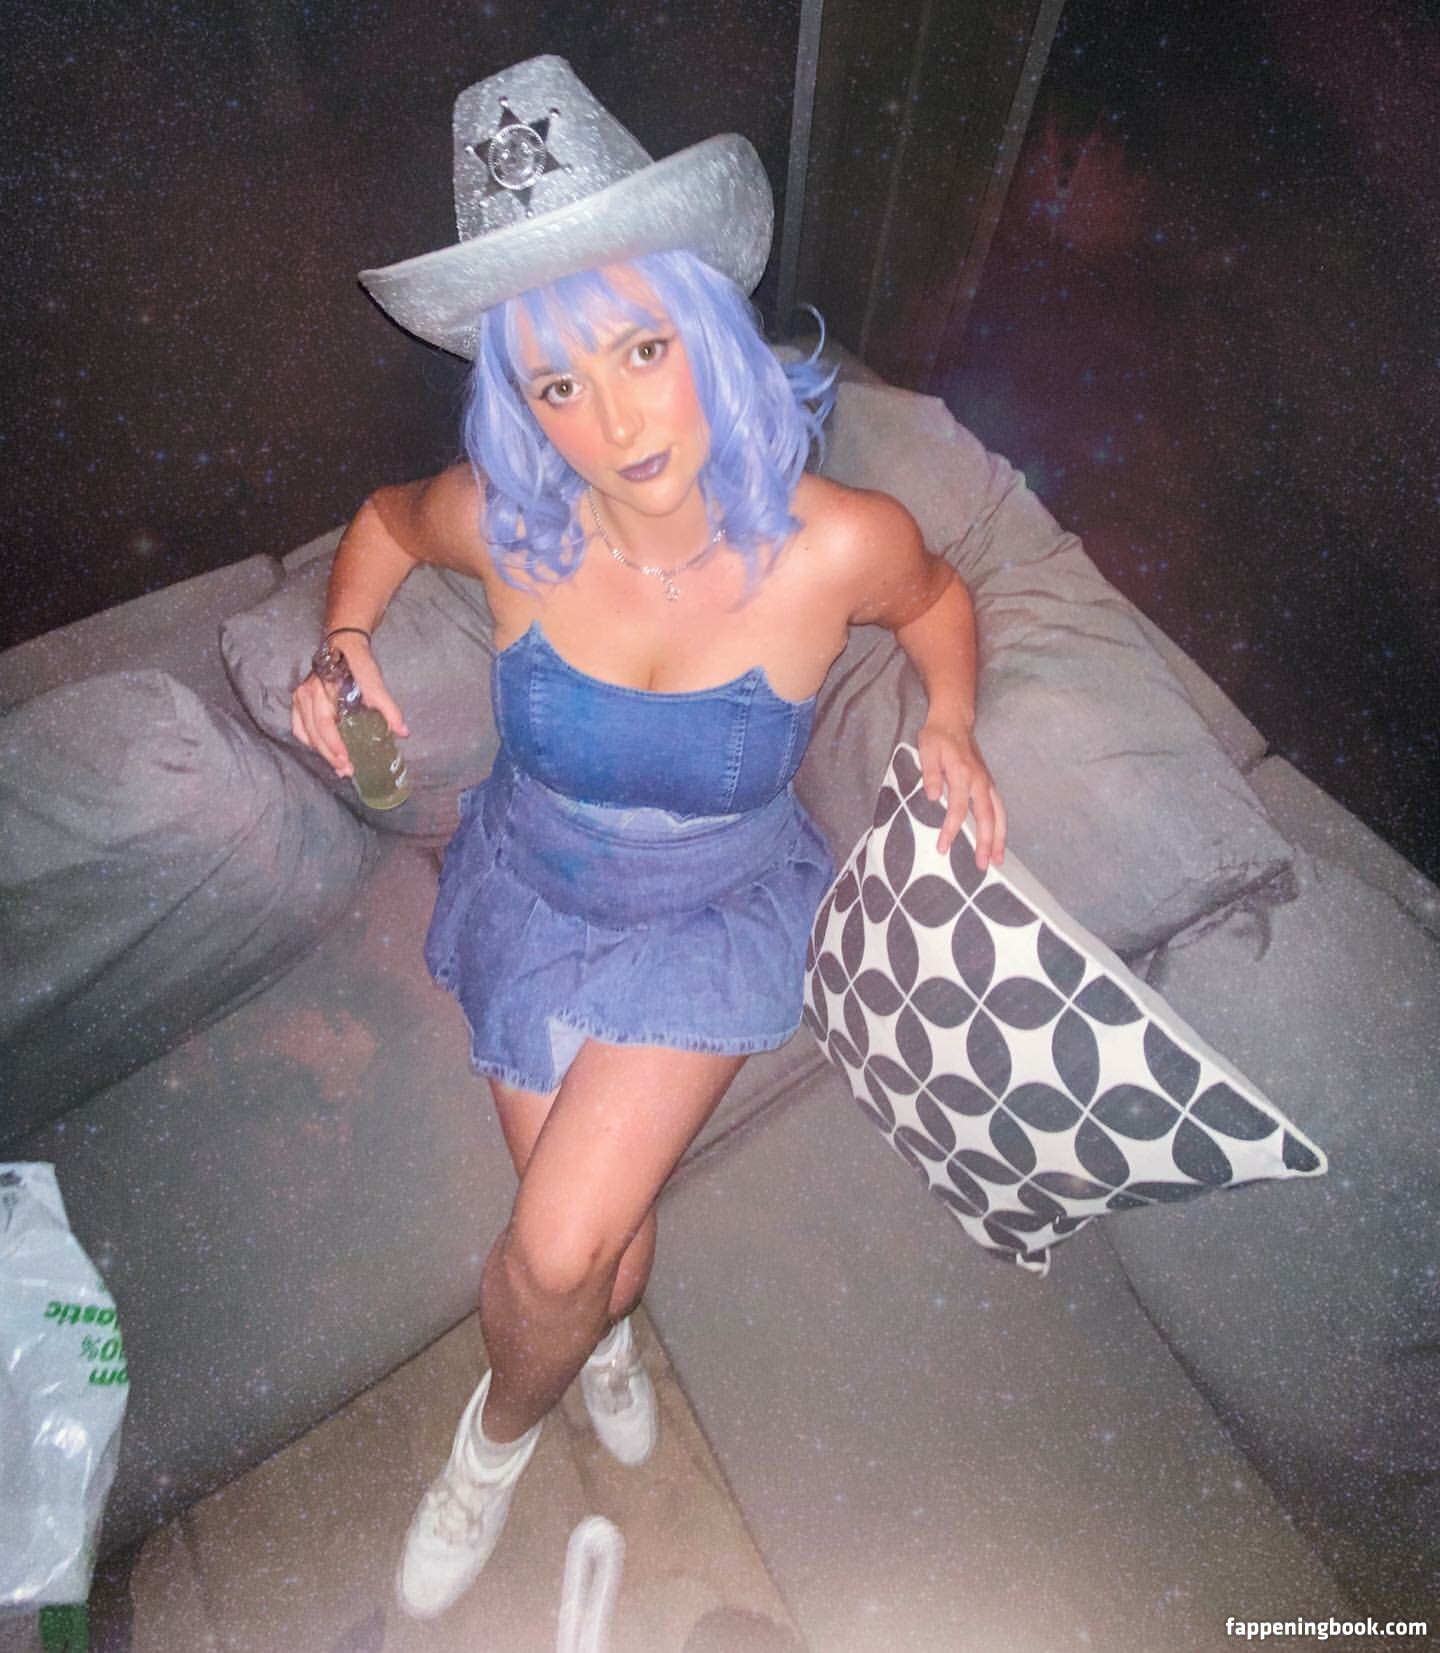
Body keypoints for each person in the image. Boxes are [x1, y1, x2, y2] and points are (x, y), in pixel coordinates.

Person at [290, 55, 1006, 1621]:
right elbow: (387, 523)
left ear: (708, 327)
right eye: (558, 384)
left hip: (709, 911)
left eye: (641, 347)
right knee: (598, 1263)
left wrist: (949, 717)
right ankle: (603, 1345)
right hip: (528, 885)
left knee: (552, 1250)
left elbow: (941, 601)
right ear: (518, 403)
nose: (612, 419)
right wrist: (341, 641)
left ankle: (488, 1445)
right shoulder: (508, 527)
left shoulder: (837, 544)